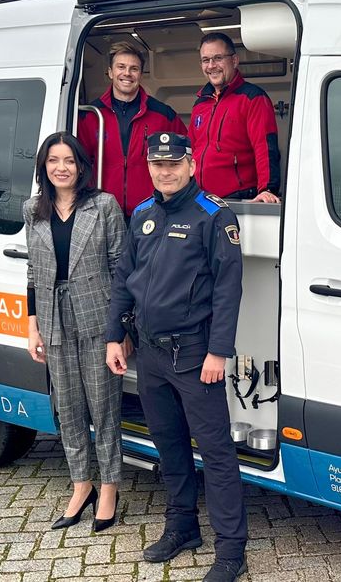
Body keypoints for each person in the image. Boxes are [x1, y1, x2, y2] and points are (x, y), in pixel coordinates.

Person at [105, 132, 247, 582]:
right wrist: (114, 336)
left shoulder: (213, 216)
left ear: (190, 164)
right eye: (157, 164)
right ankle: (182, 527)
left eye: (173, 164)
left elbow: (228, 289)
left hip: (194, 356)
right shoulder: (143, 214)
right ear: (148, 166)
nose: (165, 172)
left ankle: (231, 551)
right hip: (149, 355)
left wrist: (219, 351)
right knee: (168, 447)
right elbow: (124, 279)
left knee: (216, 453)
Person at [24, 132, 127, 532]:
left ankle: (109, 488)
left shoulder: (103, 206)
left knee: (103, 408)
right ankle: (81, 484)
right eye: (53, 160)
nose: (61, 167)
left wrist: (120, 329)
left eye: (69, 160)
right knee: (67, 409)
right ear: (44, 166)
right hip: (53, 322)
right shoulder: (33, 209)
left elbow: (121, 269)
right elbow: (33, 272)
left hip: (98, 320)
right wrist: (33, 327)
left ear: (81, 166)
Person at [77, 41, 188, 212]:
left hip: (152, 209)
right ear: (110, 72)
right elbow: (78, 164)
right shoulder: (90, 115)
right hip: (103, 210)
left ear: (141, 74)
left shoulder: (163, 115)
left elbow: (186, 156)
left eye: (134, 68)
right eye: (121, 67)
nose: (127, 73)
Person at [189, 32, 281, 204]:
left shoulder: (253, 98)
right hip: (201, 200)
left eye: (217, 58)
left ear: (234, 60)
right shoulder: (200, 103)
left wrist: (267, 189)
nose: (211, 65)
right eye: (205, 60)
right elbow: (191, 152)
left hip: (238, 200)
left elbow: (265, 147)